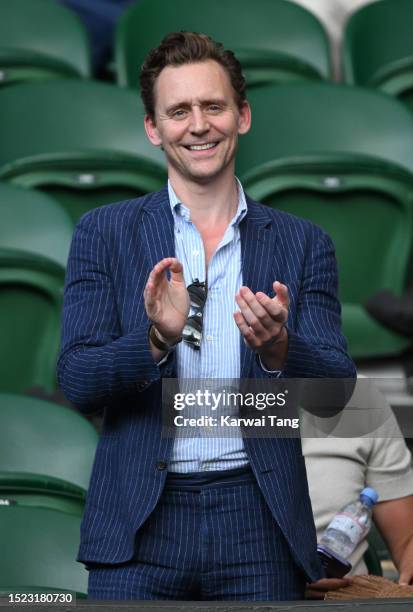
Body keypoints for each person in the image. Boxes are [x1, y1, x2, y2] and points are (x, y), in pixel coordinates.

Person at [57, 31, 356, 601]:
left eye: (213, 106)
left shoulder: (303, 243)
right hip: (138, 526)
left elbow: (337, 393)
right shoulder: (104, 233)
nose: (198, 125)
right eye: (178, 111)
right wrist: (152, 340)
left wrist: (279, 350)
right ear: (153, 127)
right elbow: (77, 380)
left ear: (241, 115)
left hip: (258, 519)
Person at [301, 381, 413, 598]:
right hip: (253, 594)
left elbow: (407, 539)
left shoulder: (358, 396)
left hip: (350, 599)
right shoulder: (222, 401)